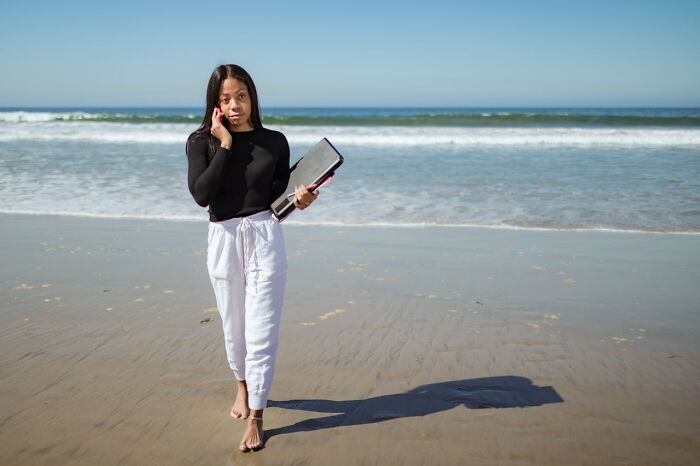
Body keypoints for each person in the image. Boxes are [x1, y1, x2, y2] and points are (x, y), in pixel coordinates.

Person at [186, 64, 317, 452]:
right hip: (224, 237)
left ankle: (258, 415)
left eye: (240, 96)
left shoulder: (274, 141)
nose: (234, 105)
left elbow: (279, 199)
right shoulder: (201, 143)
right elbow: (202, 195)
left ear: (252, 97)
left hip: (264, 236)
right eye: (224, 99)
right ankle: (242, 387)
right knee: (234, 324)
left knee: (262, 327)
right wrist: (224, 144)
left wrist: (300, 201)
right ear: (214, 104)